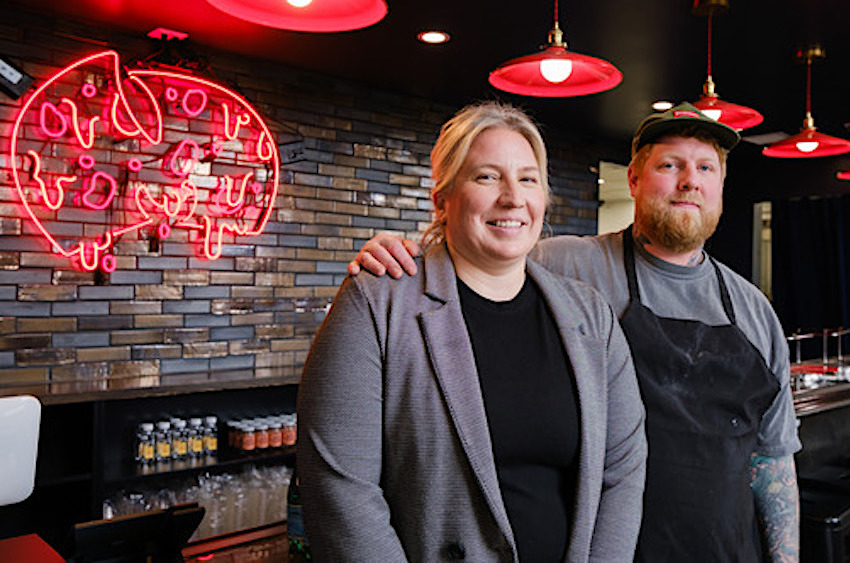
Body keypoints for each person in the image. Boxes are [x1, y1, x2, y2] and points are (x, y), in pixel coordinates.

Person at [348, 102, 802, 562]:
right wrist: (400, 256)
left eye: (706, 167)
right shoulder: (563, 267)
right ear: (634, 179)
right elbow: (484, 254)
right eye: (670, 165)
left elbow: (772, 459)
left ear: (721, 185)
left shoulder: (754, 312)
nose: (690, 180)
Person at [297, 101, 647, 562]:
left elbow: (622, 469)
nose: (512, 197)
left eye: (527, 178)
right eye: (486, 176)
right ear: (442, 198)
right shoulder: (377, 301)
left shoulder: (590, 315)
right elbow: (340, 492)